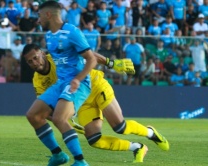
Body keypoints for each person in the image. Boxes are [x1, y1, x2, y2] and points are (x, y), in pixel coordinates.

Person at [22, 44, 169, 164]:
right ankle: (137, 148)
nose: (34, 63)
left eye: (35, 58)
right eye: (30, 62)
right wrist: (63, 121)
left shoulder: (58, 56)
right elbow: (44, 109)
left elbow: (89, 55)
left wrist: (112, 63)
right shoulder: (38, 80)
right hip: (83, 102)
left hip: (96, 86)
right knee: (94, 140)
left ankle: (151, 133)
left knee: (119, 127)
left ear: (42, 53)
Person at [25, 1, 98, 165]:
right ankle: (58, 155)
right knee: (33, 115)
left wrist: (77, 80)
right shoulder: (49, 36)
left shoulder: (72, 32)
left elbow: (91, 59)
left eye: (39, 16)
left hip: (78, 82)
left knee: (59, 118)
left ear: (48, 15)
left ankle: (80, 161)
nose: (38, 20)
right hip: (61, 83)